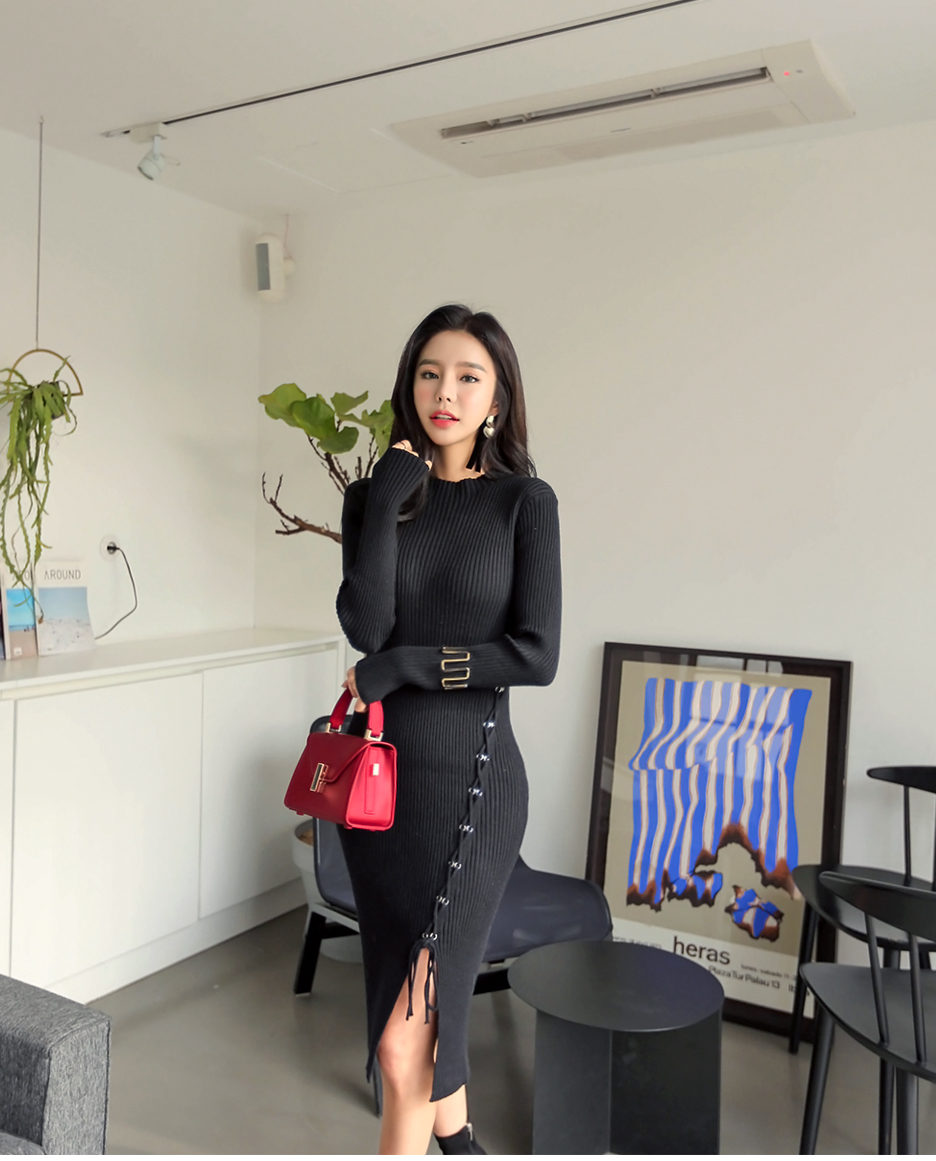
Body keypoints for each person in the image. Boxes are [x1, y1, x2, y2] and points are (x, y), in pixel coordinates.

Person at [336, 304, 562, 1155]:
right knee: (424, 1027)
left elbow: (535, 654)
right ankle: (462, 1145)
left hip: (474, 787)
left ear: (496, 398)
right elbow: (367, 624)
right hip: (381, 798)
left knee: (406, 1048)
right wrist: (387, 497)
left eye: (469, 376)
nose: (446, 391)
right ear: (410, 384)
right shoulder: (375, 497)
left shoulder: (524, 503)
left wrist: (408, 666)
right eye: (430, 372)